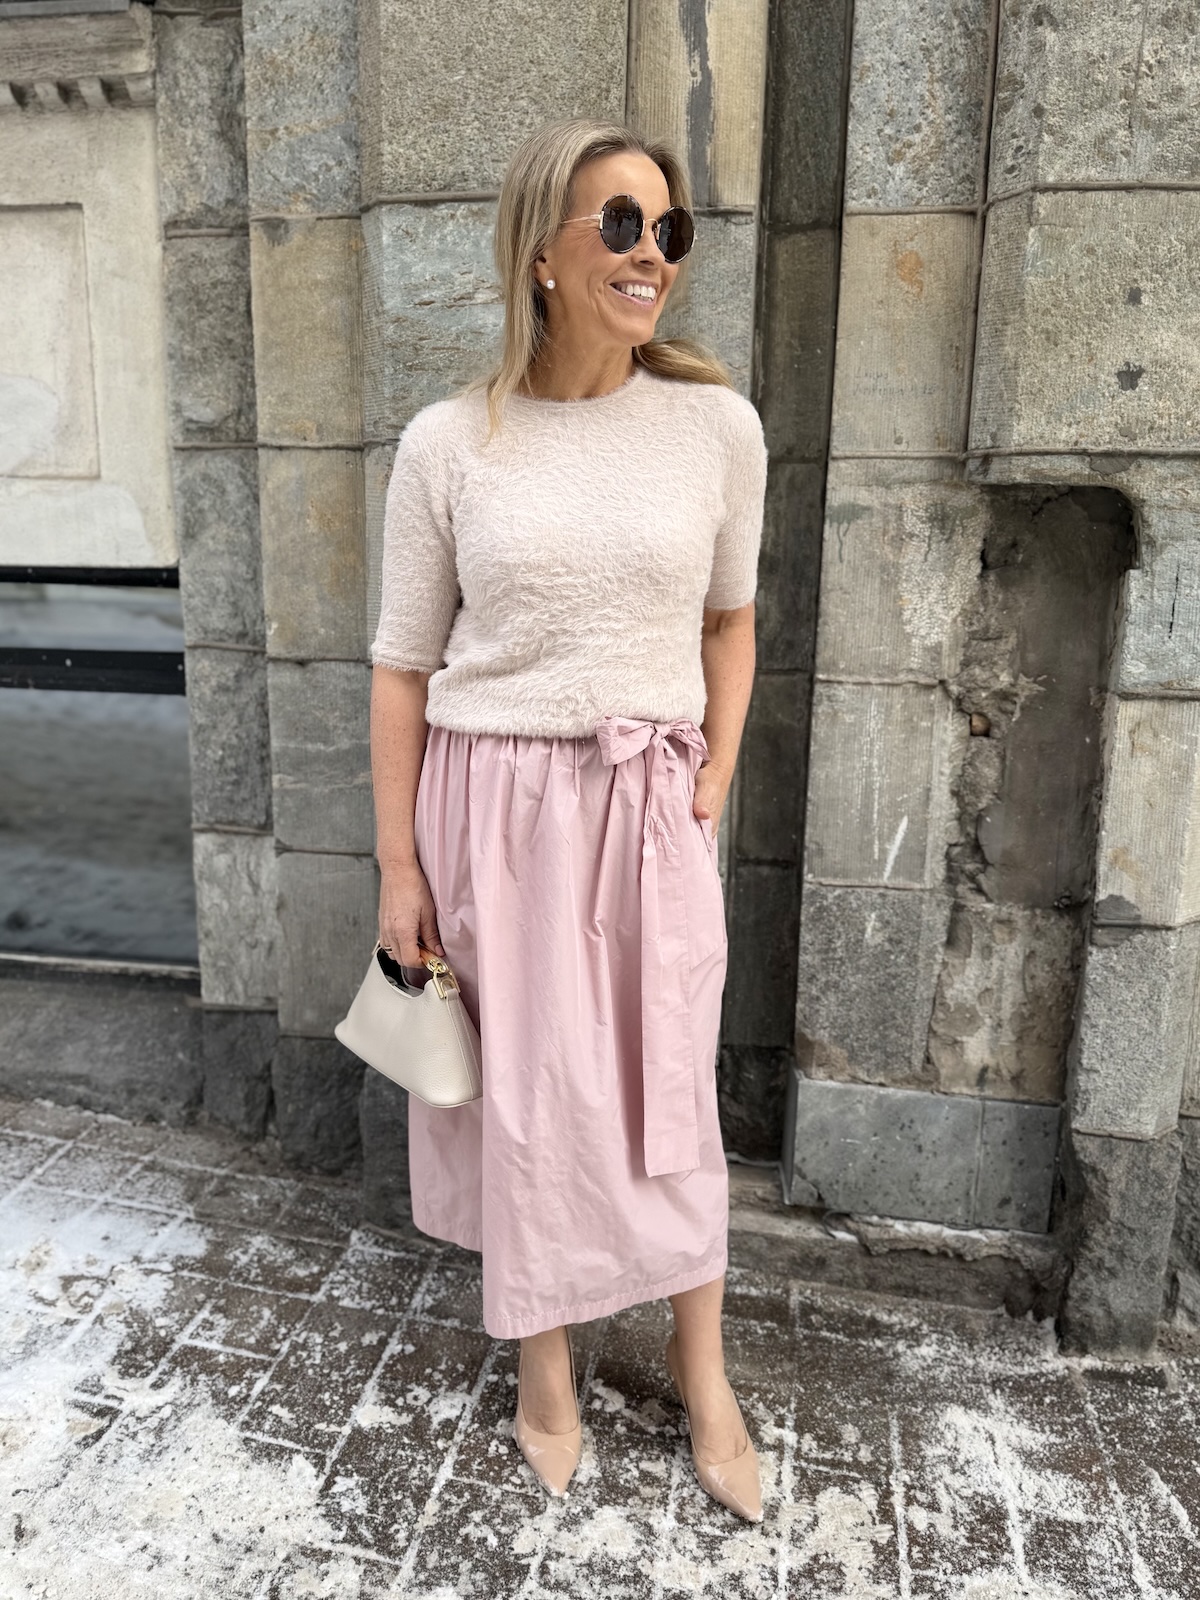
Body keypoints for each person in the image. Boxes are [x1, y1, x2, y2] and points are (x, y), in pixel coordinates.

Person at [369, 116, 768, 1522]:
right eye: (619, 224)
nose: (650, 253)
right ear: (542, 251)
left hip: (648, 802)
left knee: (672, 1088)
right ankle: (546, 1362)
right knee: (530, 1099)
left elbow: (731, 621)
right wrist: (400, 869)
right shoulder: (450, 443)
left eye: (668, 229)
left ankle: (702, 1367)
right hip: (493, 806)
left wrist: (712, 777)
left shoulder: (717, 428)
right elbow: (402, 666)